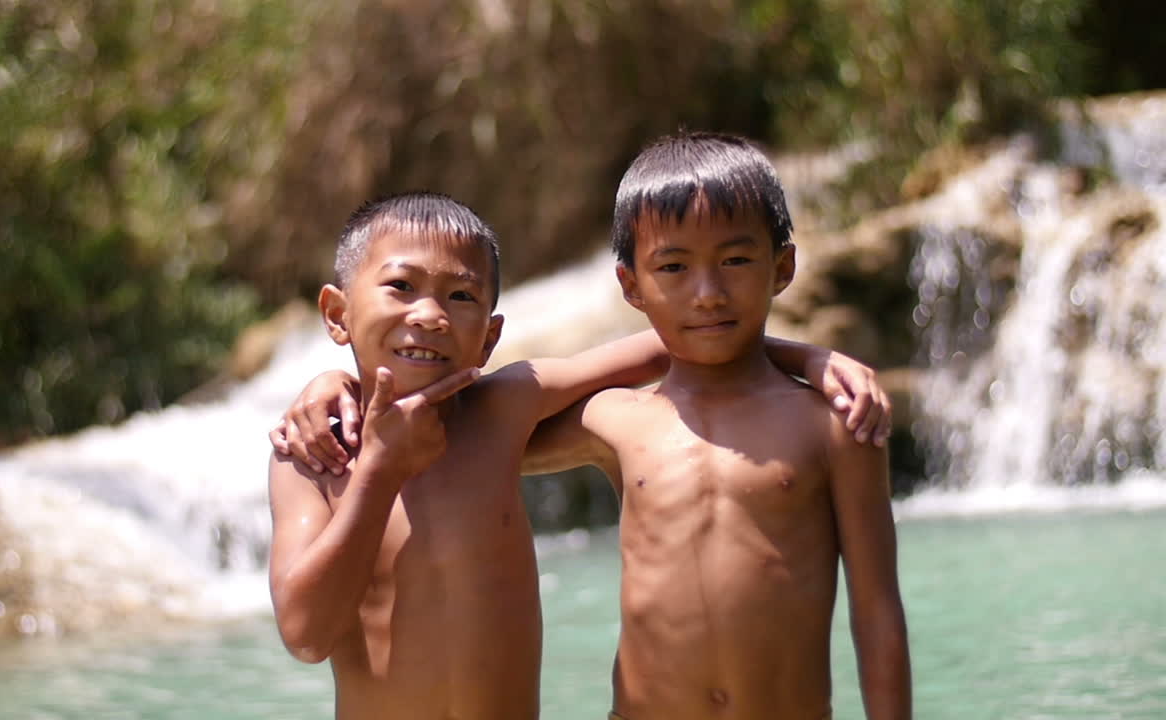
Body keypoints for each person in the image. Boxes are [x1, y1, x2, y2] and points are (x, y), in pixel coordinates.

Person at [267, 191, 892, 720]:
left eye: (460, 296)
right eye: (400, 287)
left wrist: (811, 358)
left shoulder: (504, 409)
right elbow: (305, 635)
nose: (429, 314)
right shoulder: (316, 457)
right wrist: (378, 468)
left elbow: (678, 340)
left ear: (489, 336)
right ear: (337, 313)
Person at [524, 132, 911, 719]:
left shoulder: (833, 425)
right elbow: (474, 435)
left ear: (782, 268)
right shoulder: (616, 420)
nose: (707, 294)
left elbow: (878, 612)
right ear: (632, 286)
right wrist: (333, 388)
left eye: (734, 260)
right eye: (673, 267)